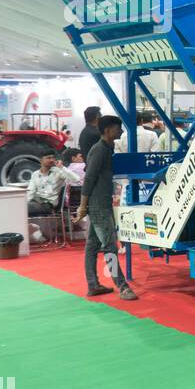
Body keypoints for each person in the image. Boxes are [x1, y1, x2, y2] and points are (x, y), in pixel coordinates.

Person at [74, 115, 137, 301]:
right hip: (98, 205)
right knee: (110, 246)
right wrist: (83, 206)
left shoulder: (106, 149)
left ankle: (93, 285)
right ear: (108, 130)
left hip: (100, 203)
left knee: (92, 245)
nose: (121, 131)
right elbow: (90, 178)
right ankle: (122, 287)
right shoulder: (100, 150)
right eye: (118, 128)